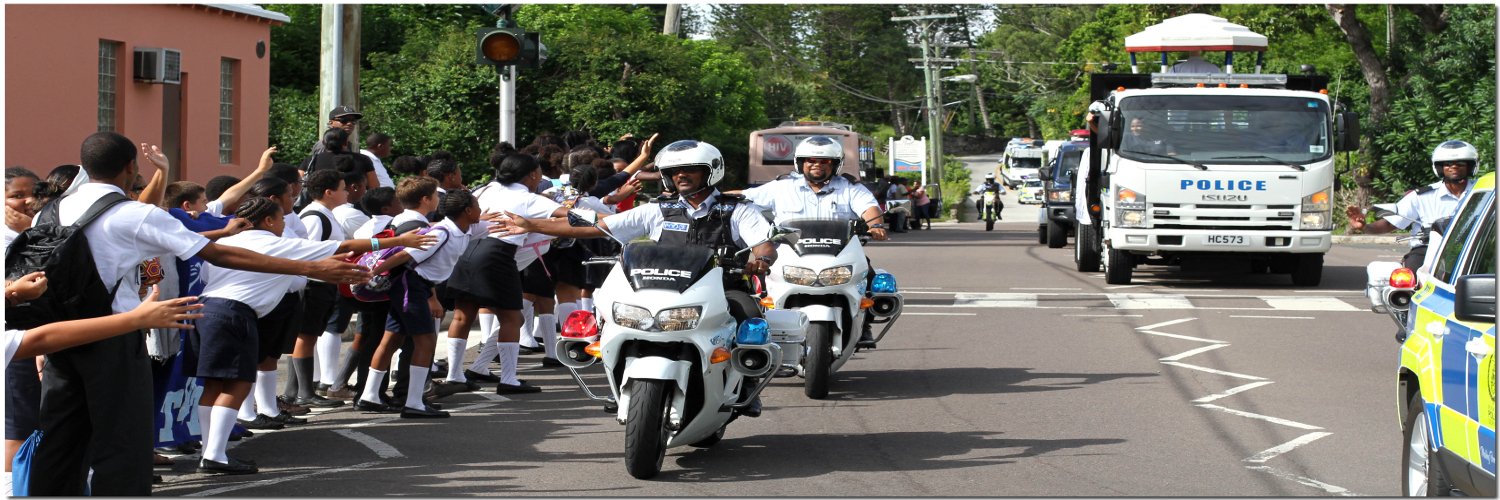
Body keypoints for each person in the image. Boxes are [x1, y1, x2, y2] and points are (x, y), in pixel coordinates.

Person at [22, 132, 366, 495]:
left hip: (60, 333)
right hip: (113, 335)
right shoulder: (132, 214)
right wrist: (307, 268)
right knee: (122, 435)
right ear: (129, 168)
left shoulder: (50, 210)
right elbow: (215, 253)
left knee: (61, 433)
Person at [498, 139, 775, 416]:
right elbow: (597, 227)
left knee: (747, 311)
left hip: (720, 289)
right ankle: (616, 379)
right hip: (661, 290)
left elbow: (764, 243)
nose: (680, 175)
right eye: (675, 170)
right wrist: (531, 224)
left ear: (710, 171)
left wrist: (761, 260)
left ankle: (748, 381)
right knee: (612, 314)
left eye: (690, 169)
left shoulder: (738, 209)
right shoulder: (656, 210)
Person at [190, 197, 434, 474]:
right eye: (281, 219)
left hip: (206, 310)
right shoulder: (278, 243)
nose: (284, 224)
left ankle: (211, 451)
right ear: (268, 221)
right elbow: (347, 246)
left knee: (212, 385)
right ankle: (215, 456)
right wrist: (398, 242)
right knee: (236, 385)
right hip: (235, 313)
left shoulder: (225, 243)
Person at [733, 135, 888, 348]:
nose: (816, 165)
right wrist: (713, 197)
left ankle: (865, 324)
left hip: (838, 254)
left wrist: (876, 226)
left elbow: (869, 208)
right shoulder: (781, 187)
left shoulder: (850, 188)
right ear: (800, 163)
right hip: (790, 253)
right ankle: (756, 328)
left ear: (835, 164)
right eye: (810, 160)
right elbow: (744, 196)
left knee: (868, 274)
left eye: (824, 161)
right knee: (751, 282)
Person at [1346, 140, 1480, 270]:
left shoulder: (1485, 192)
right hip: (1428, 249)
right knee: (1411, 275)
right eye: (1448, 164)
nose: (1454, 167)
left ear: (1470, 166)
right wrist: (1365, 227)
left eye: (1461, 163)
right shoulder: (1421, 196)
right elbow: (1390, 223)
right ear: (1439, 168)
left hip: (1474, 248)